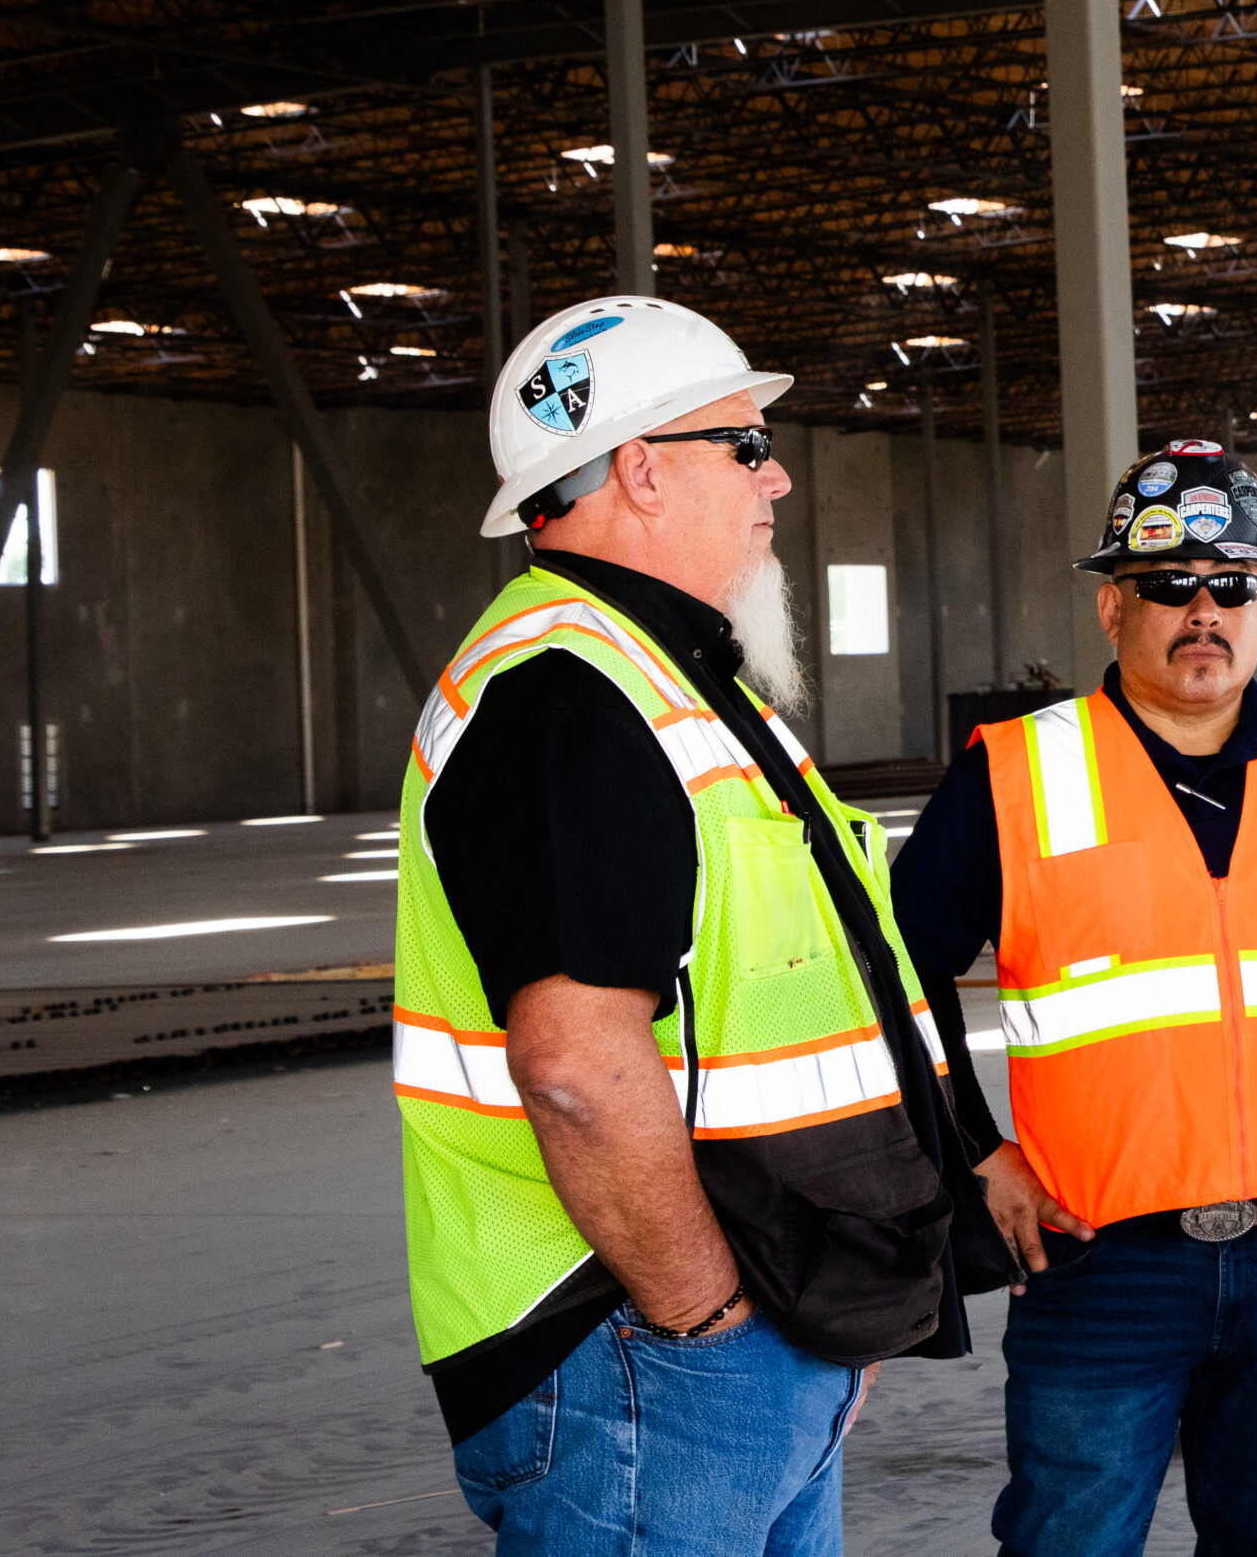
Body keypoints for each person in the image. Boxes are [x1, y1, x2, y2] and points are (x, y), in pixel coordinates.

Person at [393, 295, 1000, 1555]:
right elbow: (574, 1066)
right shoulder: (566, 701)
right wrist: (708, 1320)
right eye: (745, 443)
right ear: (642, 470)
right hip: (636, 1343)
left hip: (752, 1326)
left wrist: (817, 1310)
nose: (776, 477)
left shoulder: (670, 680)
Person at [891, 440, 1257, 1557]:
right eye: (1168, 586)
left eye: (1233, 586)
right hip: (1096, 1262)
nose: (1201, 611)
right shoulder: (1017, 772)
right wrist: (975, 1149)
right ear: (1114, 609)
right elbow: (897, 975)